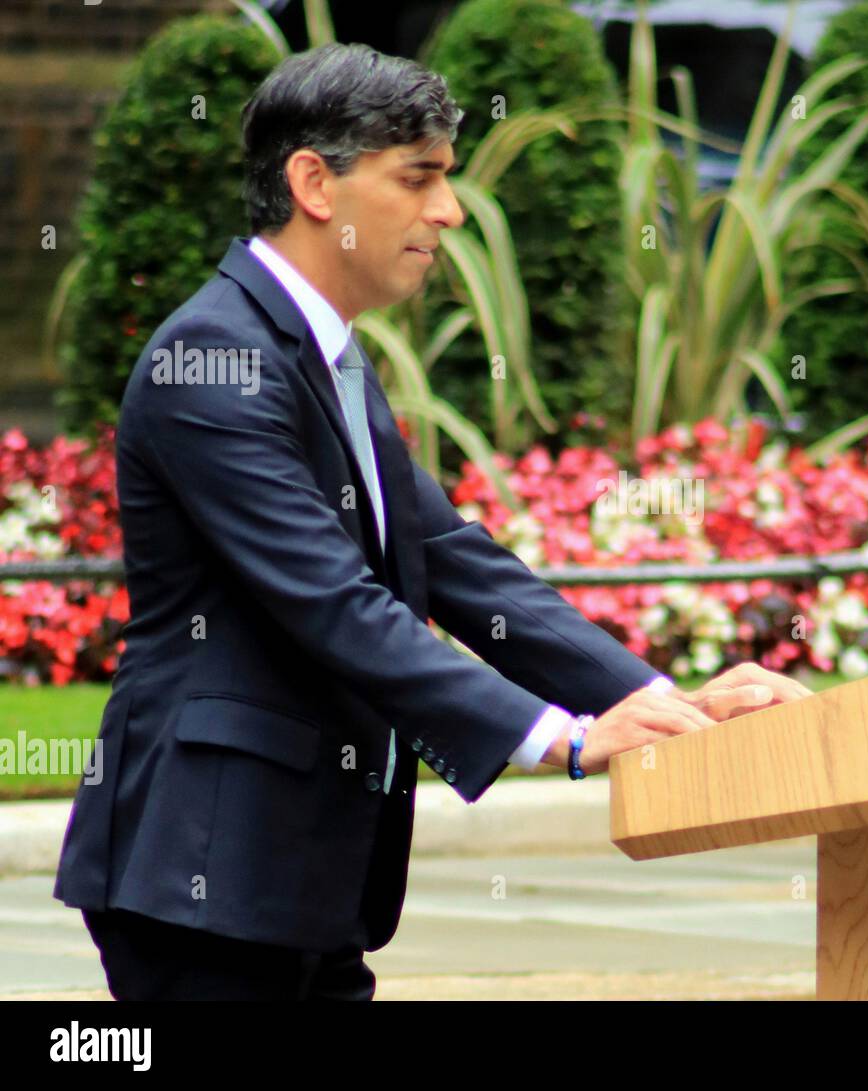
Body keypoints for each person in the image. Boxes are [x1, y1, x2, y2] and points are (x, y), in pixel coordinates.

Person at [52, 42, 810, 1001]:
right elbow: (334, 602)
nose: (448, 210)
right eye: (419, 178)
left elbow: (456, 563)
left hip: (298, 883)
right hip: (203, 877)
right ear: (314, 183)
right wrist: (561, 738)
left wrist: (664, 703)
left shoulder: (325, 355)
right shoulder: (213, 356)